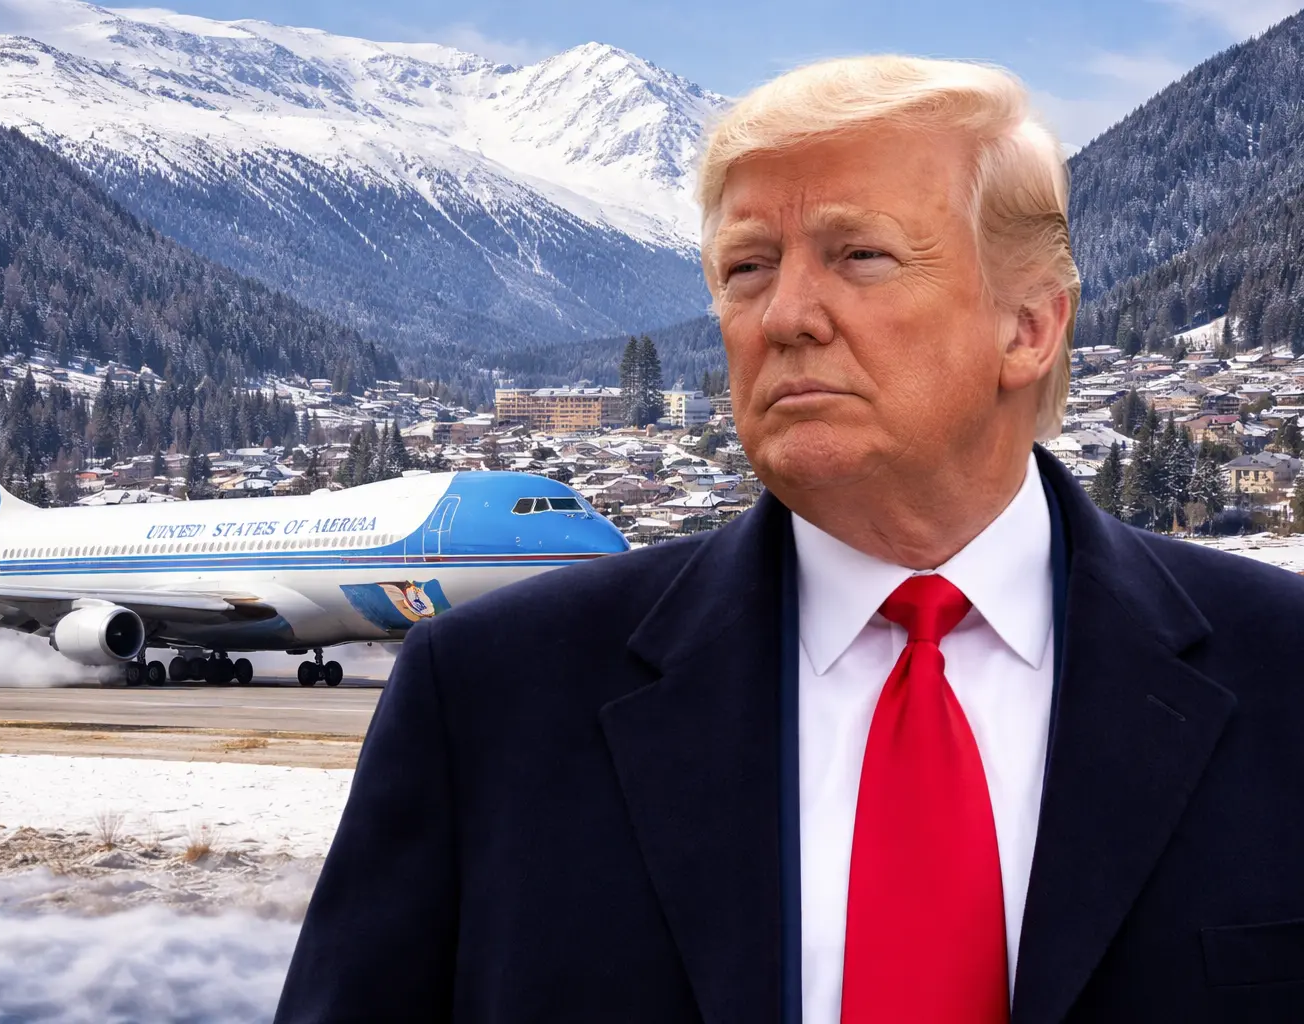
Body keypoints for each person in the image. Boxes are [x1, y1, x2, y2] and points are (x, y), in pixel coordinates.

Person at [276, 56, 1304, 1023]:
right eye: (748, 267)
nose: (786, 316)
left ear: (1029, 326)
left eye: (860, 255)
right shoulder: (494, 697)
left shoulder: (1284, 672)